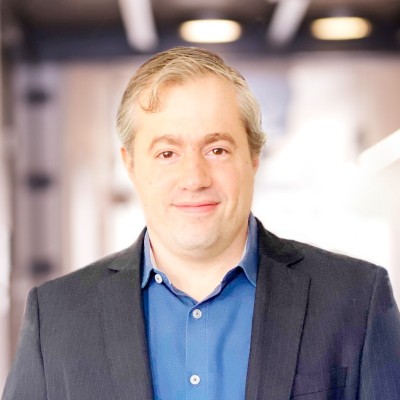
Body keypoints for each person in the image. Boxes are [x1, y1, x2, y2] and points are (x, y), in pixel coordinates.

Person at [2, 47, 400, 400]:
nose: (194, 178)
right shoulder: (56, 317)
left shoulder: (356, 302)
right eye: (167, 153)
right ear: (131, 165)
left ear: (253, 158)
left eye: (217, 149)